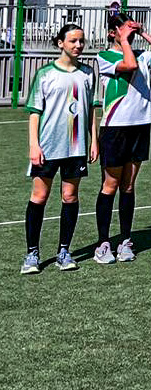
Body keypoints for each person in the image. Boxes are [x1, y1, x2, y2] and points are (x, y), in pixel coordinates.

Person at [92, 11, 151, 265]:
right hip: (115, 127)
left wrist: (142, 32)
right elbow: (129, 66)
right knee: (110, 185)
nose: (128, 32)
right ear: (112, 33)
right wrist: (125, 40)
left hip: (140, 126)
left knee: (128, 185)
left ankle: (125, 240)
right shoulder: (105, 56)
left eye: (130, 28)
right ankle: (103, 242)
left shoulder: (142, 54)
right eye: (123, 28)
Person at [22, 24, 99, 274]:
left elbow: (91, 110)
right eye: (73, 41)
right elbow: (35, 113)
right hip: (47, 146)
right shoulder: (45, 74)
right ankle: (32, 254)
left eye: (81, 41)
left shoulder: (88, 73)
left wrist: (93, 140)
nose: (78, 45)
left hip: (76, 148)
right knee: (40, 197)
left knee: (70, 197)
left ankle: (64, 251)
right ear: (60, 44)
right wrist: (34, 145)